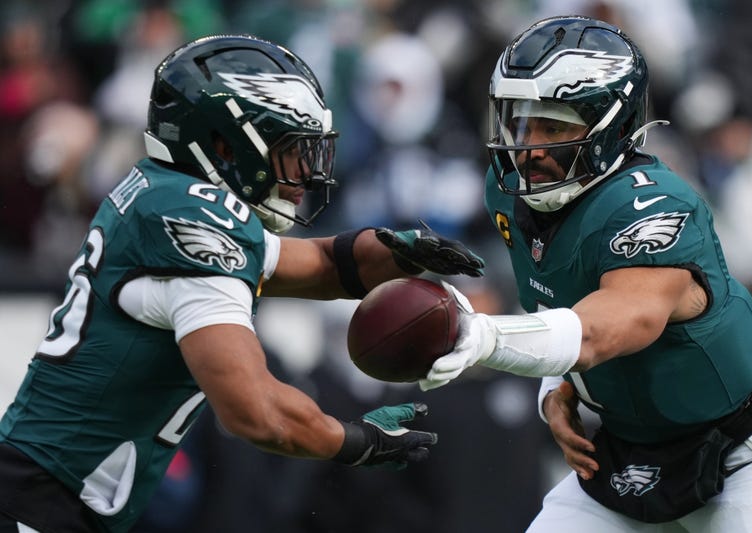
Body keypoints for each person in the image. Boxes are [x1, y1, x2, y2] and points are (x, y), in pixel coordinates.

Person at [0, 34, 485, 533]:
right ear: (223, 143)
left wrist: (399, 251)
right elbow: (254, 412)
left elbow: (320, 264)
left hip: (44, 495)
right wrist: (356, 440)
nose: (304, 174)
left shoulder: (169, 194)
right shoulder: (193, 223)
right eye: (290, 150)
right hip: (36, 505)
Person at [417, 15, 752, 532]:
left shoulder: (652, 204)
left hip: (740, 452)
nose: (528, 148)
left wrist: (483, 335)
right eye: (519, 121)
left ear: (611, 125)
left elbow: (611, 326)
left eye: (552, 126)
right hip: (627, 454)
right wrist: (554, 390)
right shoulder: (509, 191)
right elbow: (557, 301)